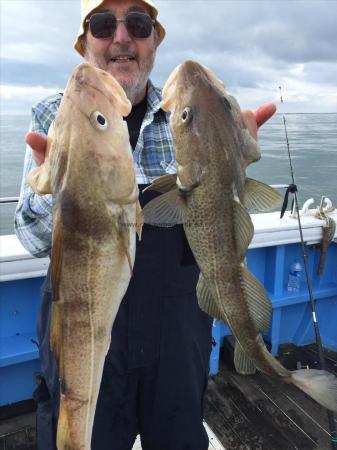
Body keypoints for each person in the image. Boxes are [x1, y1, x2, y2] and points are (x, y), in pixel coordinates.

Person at [14, 1, 276, 449]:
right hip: (88, 329)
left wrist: (235, 164)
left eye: (137, 24)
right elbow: (33, 238)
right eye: (101, 25)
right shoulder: (53, 116)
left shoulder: (189, 115)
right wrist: (55, 194)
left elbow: (220, 228)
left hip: (177, 335)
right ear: (84, 43)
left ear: (154, 40)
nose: (120, 38)